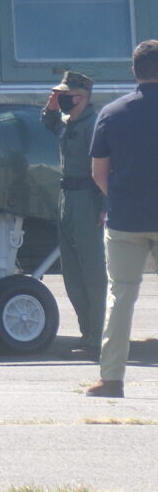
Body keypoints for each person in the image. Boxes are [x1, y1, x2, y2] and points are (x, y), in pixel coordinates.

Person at [86, 40, 158, 398]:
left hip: (125, 220)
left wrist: (116, 199)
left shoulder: (112, 113)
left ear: (135, 71)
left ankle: (111, 379)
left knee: (120, 298)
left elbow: (99, 172)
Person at [41, 71, 105, 357]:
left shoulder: (95, 125)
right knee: (72, 275)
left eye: (66, 95)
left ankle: (98, 339)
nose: (62, 99)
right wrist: (51, 105)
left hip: (87, 198)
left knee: (93, 273)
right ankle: (87, 334)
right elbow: (49, 123)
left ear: (82, 96)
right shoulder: (69, 122)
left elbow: (106, 167)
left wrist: (105, 205)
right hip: (66, 197)